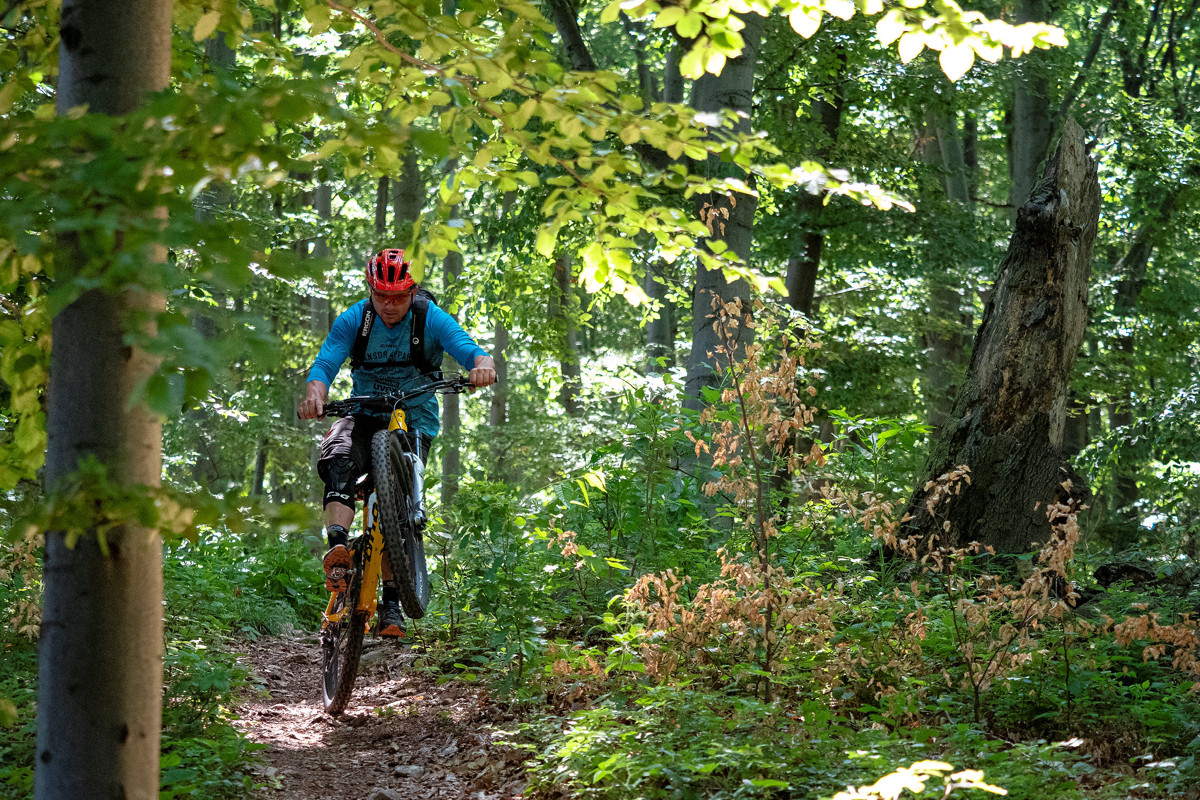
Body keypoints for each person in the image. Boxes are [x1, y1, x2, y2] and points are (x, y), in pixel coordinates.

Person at [298, 247, 496, 637]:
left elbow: (470, 349)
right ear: (370, 290)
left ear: (413, 291)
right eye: (382, 296)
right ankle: (337, 553)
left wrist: (482, 367)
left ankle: (392, 603)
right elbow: (325, 364)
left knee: (397, 506)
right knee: (338, 456)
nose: (390, 305)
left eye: (399, 297)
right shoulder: (355, 319)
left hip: (414, 418)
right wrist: (315, 394)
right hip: (365, 412)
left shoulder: (430, 318)